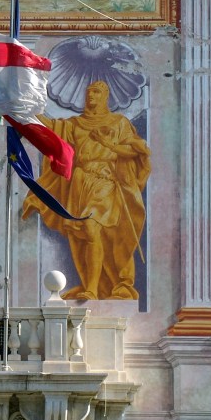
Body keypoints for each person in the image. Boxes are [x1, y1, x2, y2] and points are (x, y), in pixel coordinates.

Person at [22, 80, 151, 300]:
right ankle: (91, 285)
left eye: (97, 93)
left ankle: (105, 286)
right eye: (89, 92)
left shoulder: (119, 123)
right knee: (80, 235)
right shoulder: (75, 124)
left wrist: (109, 146)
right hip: (80, 183)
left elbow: (135, 151)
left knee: (93, 229)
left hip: (105, 181)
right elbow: (50, 129)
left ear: (105, 97)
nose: (92, 96)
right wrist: (25, 109)